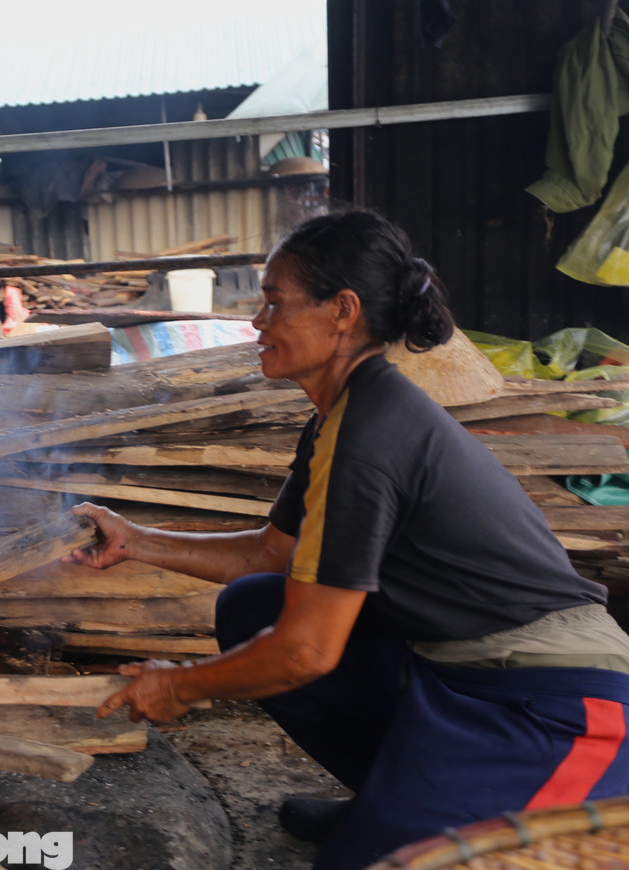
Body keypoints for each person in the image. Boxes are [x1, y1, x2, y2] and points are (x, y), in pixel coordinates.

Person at [68, 209, 629, 870]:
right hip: (456, 671)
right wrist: (136, 541)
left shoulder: (370, 435)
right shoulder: (340, 420)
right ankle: (388, 796)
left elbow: (305, 652)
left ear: (343, 310)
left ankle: (416, 811)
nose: (256, 322)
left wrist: (181, 685)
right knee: (255, 604)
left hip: (558, 705)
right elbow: (271, 557)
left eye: (274, 303)